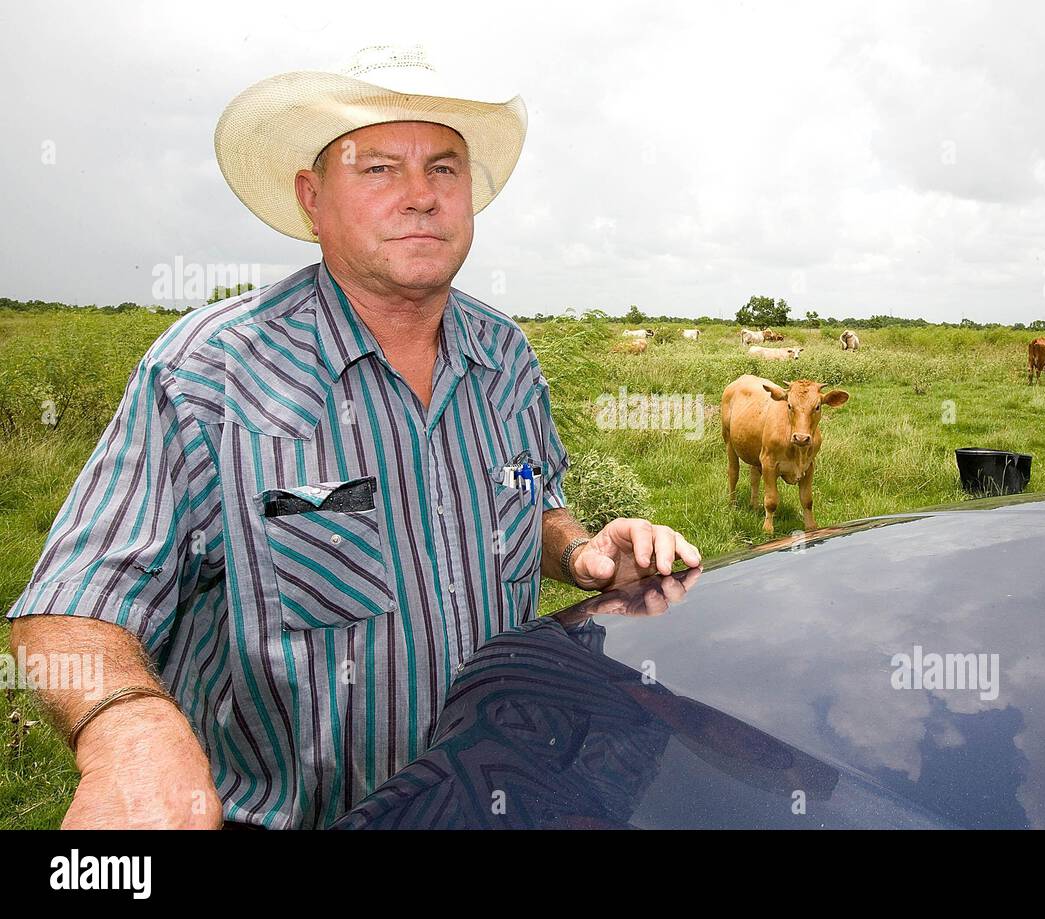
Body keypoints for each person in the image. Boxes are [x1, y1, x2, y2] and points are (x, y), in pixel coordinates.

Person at [6, 44, 700, 829]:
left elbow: (531, 502)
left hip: (497, 802)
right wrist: (130, 728)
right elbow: (72, 604)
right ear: (312, 197)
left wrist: (580, 550)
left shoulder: (507, 357)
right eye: (377, 169)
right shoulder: (208, 374)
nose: (420, 198)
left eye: (444, 169)